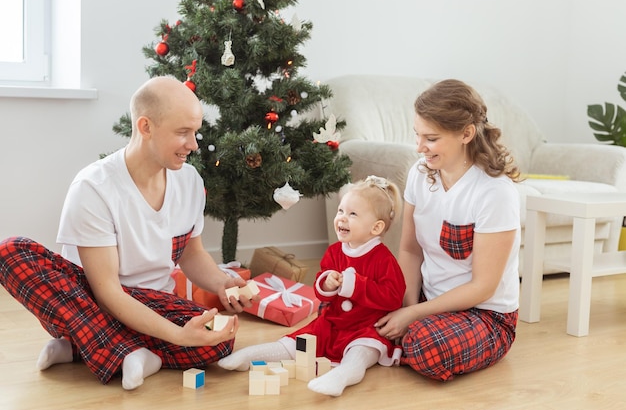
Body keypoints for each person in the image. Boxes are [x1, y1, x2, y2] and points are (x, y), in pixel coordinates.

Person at [0, 76, 257, 390]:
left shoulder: (189, 181)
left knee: (218, 341)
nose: (193, 144)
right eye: (183, 132)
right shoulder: (94, 187)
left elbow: (191, 253)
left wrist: (223, 284)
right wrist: (177, 335)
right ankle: (128, 351)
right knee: (10, 252)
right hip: (90, 300)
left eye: (195, 132)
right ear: (146, 127)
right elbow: (107, 293)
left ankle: (83, 346)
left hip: (153, 304)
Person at [374, 79, 521, 381]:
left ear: (466, 134)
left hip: (485, 315)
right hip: (429, 299)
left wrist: (412, 317)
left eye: (431, 138)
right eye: (417, 135)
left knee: (423, 345)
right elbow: (410, 250)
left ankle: (407, 341)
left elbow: (483, 287)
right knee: (358, 308)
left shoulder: (495, 192)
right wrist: (407, 304)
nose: (419, 147)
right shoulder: (420, 173)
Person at [218, 176, 406, 396]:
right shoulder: (335, 251)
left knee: (362, 352)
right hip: (332, 323)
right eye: (341, 211)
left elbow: (393, 297)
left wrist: (356, 285)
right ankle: (251, 355)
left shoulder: (383, 259)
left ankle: (341, 376)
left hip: (366, 328)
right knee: (296, 343)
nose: (342, 219)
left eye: (352, 214)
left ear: (376, 227)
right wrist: (327, 284)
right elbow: (320, 291)